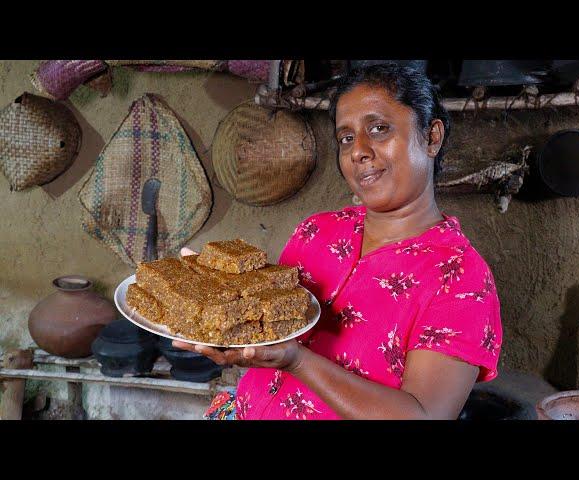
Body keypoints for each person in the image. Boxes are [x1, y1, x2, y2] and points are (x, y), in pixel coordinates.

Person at [174, 64, 502, 420]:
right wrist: (219, 313)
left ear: (432, 136)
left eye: (379, 129)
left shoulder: (461, 277)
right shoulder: (316, 232)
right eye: (346, 138)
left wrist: (299, 362)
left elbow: (424, 415)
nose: (358, 150)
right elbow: (268, 331)